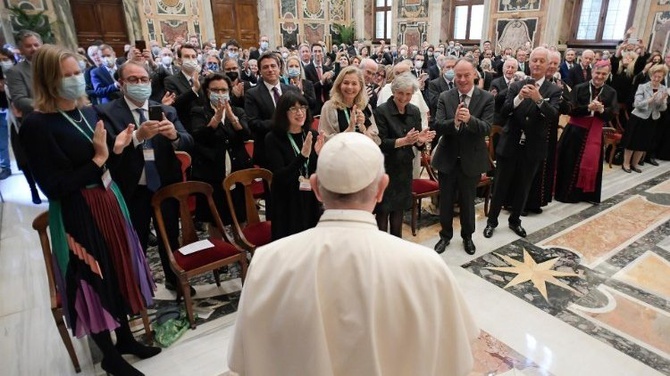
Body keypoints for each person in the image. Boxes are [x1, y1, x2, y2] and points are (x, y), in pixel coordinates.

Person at [227, 132, 479, 376]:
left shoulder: (266, 263)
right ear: (382, 188)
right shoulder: (427, 267)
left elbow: (243, 361)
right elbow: (457, 361)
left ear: (315, 187)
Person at [19, 44, 160, 376]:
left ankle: (125, 338)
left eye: (76, 73)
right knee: (93, 277)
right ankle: (108, 355)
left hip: (109, 199)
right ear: (47, 80)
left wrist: (121, 145)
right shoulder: (37, 126)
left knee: (117, 268)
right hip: (77, 210)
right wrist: (99, 159)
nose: (74, 80)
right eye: (65, 76)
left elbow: (107, 157)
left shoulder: (91, 111)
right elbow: (53, 186)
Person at [97, 60, 194, 295]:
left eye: (144, 80)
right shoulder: (106, 112)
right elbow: (107, 153)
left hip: (164, 185)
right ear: (121, 84)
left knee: (169, 235)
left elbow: (188, 141)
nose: (140, 84)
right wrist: (137, 137)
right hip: (132, 187)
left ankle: (173, 278)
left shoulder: (165, 110)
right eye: (133, 80)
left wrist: (174, 137)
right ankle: (138, 284)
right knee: (135, 239)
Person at [483, 47, 562, 239]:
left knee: (523, 186)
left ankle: (515, 221)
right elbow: (505, 111)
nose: (537, 64)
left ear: (547, 64)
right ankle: (491, 222)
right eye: (534, 60)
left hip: (533, 147)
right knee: (500, 185)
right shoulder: (516, 85)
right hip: (510, 144)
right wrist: (519, 98)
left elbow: (553, 116)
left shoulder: (553, 90)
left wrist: (539, 100)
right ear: (529, 62)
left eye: (541, 61)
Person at [432, 58, 494, 255]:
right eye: (458, 75)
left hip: (471, 159)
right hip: (447, 158)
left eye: (466, 75)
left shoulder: (486, 98)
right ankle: (445, 236)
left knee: (468, 202)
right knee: (446, 201)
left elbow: (487, 128)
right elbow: (439, 125)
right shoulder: (445, 96)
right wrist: (456, 123)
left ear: (474, 74)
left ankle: (468, 237)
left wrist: (470, 120)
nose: (462, 79)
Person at [374, 74, 435, 238]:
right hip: (386, 167)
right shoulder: (381, 111)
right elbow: (380, 143)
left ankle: (395, 244)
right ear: (394, 91)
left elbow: (416, 141)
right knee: (383, 210)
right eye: (400, 93)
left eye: (408, 94)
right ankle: (381, 245)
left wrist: (420, 141)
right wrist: (404, 141)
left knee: (398, 210)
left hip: (403, 168)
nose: (404, 98)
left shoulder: (414, 111)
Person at [189, 73, 253, 224]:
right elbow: (198, 137)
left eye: (223, 90)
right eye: (215, 90)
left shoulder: (238, 111)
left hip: (236, 168)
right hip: (211, 171)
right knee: (215, 218)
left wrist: (231, 118)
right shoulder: (199, 111)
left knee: (240, 215)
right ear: (207, 91)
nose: (220, 94)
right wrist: (215, 120)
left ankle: (241, 245)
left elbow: (246, 135)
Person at [554, 60, 618, 203]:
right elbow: (571, 109)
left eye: (603, 74)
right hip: (575, 131)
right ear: (592, 72)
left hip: (594, 132)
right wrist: (588, 108)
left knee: (591, 162)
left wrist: (602, 110)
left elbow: (613, 112)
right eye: (597, 73)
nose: (600, 76)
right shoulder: (579, 88)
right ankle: (566, 194)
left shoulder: (610, 92)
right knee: (569, 163)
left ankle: (585, 195)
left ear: (607, 75)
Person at [265, 91, 324, 240]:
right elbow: (280, 177)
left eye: (302, 107)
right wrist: (302, 156)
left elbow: (312, 171)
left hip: (308, 196)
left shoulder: (311, 134)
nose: (300, 113)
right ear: (283, 112)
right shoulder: (273, 138)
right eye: (294, 109)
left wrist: (317, 155)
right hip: (287, 200)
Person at [5, 29, 43, 203]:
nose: (34, 49)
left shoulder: (52, 64)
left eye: (36, 45)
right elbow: (20, 100)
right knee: (30, 161)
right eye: (29, 46)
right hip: (33, 121)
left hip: (59, 116)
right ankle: (34, 188)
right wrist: (47, 105)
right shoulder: (16, 72)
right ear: (21, 49)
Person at [245, 52, 300, 168]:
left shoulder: (293, 90)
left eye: (273, 66)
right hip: (267, 150)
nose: (270, 70)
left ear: (279, 68)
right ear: (259, 71)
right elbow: (253, 123)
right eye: (265, 67)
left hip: (293, 146)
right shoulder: (252, 94)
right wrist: (281, 122)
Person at [620, 64, 668, 172]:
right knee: (632, 141)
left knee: (644, 142)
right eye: (654, 76)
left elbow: (662, 109)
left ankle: (635, 164)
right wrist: (650, 100)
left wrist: (661, 101)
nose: (656, 79)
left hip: (652, 119)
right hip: (638, 117)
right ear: (651, 75)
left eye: (659, 77)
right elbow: (636, 104)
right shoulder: (643, 86)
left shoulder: (663, 89)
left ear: (663, 77)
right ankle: (626, 164)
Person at [319, 66, 380, 144]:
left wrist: (363, 128)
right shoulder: (329, 107)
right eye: (346, 83)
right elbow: (324, 140)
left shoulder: (365, 107)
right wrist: (349, 129)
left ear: (360, 87)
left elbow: (376, 141)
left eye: (354, 84)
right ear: (339, 85)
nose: (350, 87)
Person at [0, 47, 15, 179]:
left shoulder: (15, 74)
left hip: (15, 111)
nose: (3, 63)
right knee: (1, 141)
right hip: (2, 110)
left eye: (5, 59)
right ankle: (5, 167)